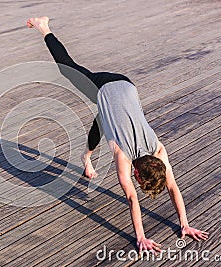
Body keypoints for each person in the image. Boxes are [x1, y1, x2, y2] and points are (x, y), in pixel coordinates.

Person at [27, 16, 208, 253]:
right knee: (67, 67)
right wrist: (141, 238)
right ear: (136, 172)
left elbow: (173, 188)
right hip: (105, 87)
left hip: (126, 85)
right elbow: (133, 199)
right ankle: (44, 26)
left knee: (103, 121)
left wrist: (185, 224)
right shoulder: (123, 156)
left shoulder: (158, 151)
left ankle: (86, 158)